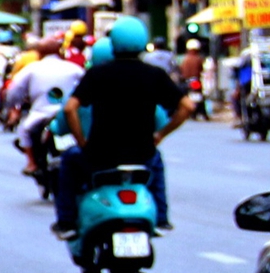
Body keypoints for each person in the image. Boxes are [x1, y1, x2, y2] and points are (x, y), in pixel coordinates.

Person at [59, 17, 194, 234]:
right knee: (157, 164)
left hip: (100, 155)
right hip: (142, 154)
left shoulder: (97, 74)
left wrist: (82, 142)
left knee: (68, 161)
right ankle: (161, 218)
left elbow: (69, 109)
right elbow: (187, 107)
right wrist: (160, 135)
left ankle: (66, 222)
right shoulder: (154, 75)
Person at [5, 38, 84, 173]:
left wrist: (13, 106)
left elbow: (13, 92)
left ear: (40, 53)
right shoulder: (74, 69)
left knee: (24, 130)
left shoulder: (32, 69)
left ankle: (31, 163)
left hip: (40, 114)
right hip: (69, 114)